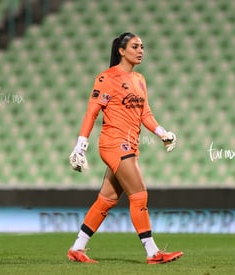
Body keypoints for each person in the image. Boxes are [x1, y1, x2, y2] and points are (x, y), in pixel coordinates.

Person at [67, 32, 183, 264]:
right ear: (121, 51)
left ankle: (77, 248)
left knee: (107, 199)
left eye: (142, 46)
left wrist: (162, 133)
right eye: (134, 46)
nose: (140, 50)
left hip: (129, 144)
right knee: (139, 194)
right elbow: (92, 111)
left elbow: (145, 113)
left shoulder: (140, 79)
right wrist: (80, 146)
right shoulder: (106, 78)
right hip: (113, 143)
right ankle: (153, 253)